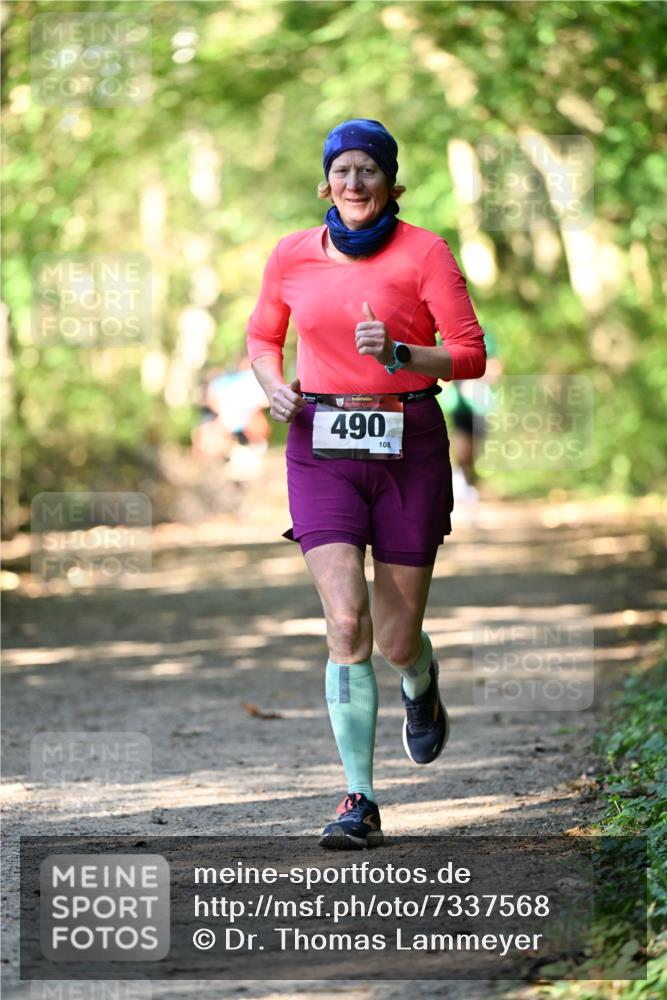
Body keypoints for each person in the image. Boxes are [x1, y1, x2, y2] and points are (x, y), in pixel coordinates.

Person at [246, 118, 486, 850]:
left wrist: (404, 352)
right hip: (318, 445)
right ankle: (359, 799)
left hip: (408, 440)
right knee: (346, 621)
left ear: (389, 182)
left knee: (394, 635)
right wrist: (271, 386)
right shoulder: (290, 253)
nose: (354, 183)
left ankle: (421, 683)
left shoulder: (425, 252)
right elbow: (262, 338)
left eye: (368, 171)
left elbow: (468, 355)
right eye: (342, 171)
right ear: (326, 181)